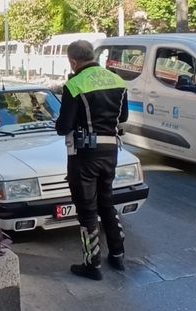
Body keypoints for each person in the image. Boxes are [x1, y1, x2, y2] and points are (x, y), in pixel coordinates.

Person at [55, 40, 129, 281]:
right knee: (107, 201)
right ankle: (117, 254)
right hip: (110, 152)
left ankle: (92, 263)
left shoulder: (74, 85)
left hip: (84, 155)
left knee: (87, 210)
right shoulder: (117, 80)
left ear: (73, 62)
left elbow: (63, 126)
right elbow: (123, 116)